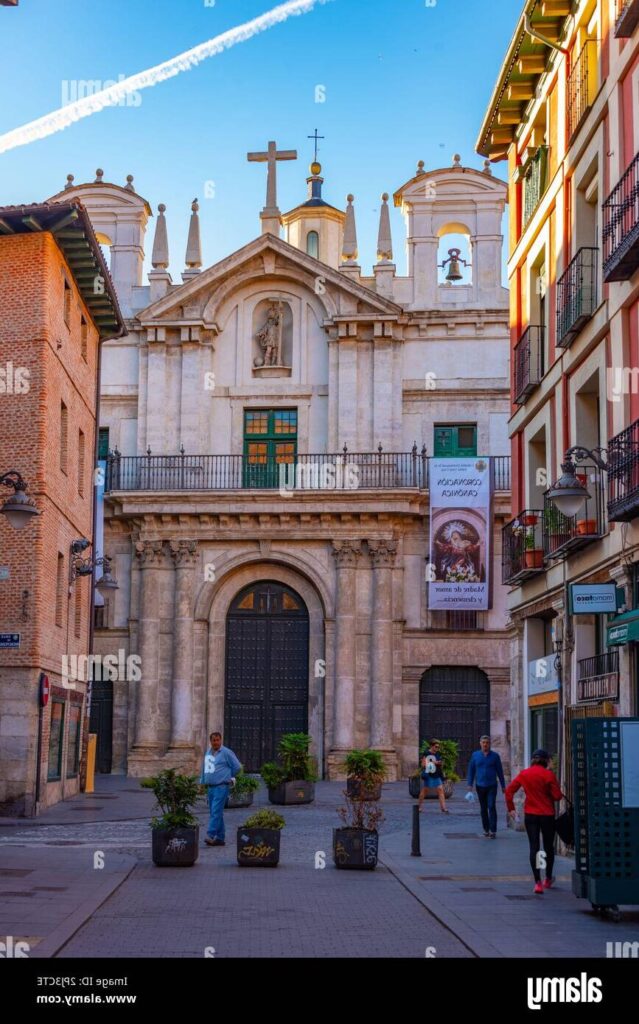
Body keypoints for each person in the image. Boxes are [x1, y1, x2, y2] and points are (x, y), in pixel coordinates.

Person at [505, 749, 564, 894]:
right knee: (548, 847)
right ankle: (548, 878)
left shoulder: (525, 774)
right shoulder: (548, 774)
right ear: (545, 760)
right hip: (547, 815)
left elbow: (509, 791)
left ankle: (537, 882)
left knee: (535, 847)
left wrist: (511, 808)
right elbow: (557, 796)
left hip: (531, 814)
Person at [199, 731, 241, 846]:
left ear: (221, 740)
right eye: (214, 740)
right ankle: (221, 838)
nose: (216, 742)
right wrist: (202, 783)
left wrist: (228, 776)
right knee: (216, 812)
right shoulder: (208, 753)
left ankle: (211, 834)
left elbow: (237, 766)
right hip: (211, 787)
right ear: (210, 741)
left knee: (216, 811)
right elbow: (204, 769)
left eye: (218, 740)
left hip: (221, 786)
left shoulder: (226, 752)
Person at [467, 735, 506, 838]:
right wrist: (469, 784)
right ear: (480, 743)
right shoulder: (475, 755)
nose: (485, 744)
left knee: (491, 806)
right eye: (483, 742)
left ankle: (493, 830)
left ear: (490, 744)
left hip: (492, 786)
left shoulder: (495, 756)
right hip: (480, 786)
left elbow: (500, 771)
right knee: (483, 808)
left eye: (487, 743)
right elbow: (471, 770)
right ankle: (486, 829)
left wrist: (503, 785)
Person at [418, 739, 449, 814]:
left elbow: (440, 763)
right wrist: (434, 762)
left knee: (440, 790)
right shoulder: (426, 753)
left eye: (438, 747)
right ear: (431, 746)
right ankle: (419, 806)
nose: (437, 748)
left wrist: (440, 763)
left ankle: (443, 808)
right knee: (425, 791)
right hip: (429, 774)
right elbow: (423, 765)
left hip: (437, 774)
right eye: (436, 747)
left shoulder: (438, 753)